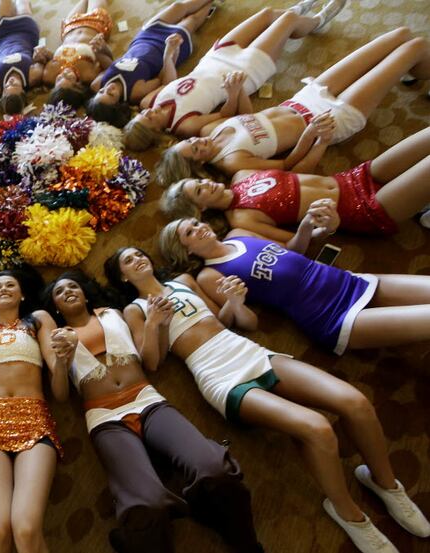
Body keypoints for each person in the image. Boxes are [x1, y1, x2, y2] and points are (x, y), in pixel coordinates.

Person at [104, 246, 430, 552]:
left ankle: (385, 484)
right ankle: (348, 513)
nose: (138, 260)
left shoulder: (185, 281)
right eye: (128, 261)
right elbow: (152, 362)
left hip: (250, 351)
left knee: (355, 402)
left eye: (138, 254)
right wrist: (155, 324)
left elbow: (234, 322)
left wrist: (234, 301)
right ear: (122, 277)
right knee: (316, 428)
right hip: (219, 375)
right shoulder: (135, 309)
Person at [44, 270, 262, 553]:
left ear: (85, 293)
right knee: (147, 504)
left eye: (73, 286)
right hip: (105, 419)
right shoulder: (57, 337)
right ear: (56, 307)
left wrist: (155, 325)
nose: (67, 292)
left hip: (148, 402)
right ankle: (132, 537)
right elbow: (60, 395)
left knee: (214, 468)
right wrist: (62, 361)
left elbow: (151, 361)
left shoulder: (114, 314)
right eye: (59, 293)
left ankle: (244, 542)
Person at [153, 27, 430, 183]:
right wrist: (312, 135)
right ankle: (417, 67)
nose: (197, 144)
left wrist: (236, 92)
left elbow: (248, 116)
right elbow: (287, 165)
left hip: (302, 99)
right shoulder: (232, 162)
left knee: (400, 36)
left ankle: (419, 70)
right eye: (194, 152)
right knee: (413, 47)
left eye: (189, 143)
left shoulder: (208, 131)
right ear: (198, 165)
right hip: (328, 119)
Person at [159, 214, 430, 354]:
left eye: (196, 222)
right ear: (186, 251)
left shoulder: (239, 234)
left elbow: (292, 251)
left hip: (349, 281)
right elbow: (241, 322)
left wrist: (307, 226)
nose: (199, 228)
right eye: (189, 233)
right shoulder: (209, 275)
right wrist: (234, 303)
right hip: (331, 315)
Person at [122, 0, 344, 150]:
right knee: (286, 21)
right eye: (149, 120)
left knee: (266, 14)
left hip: (214, 58)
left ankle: (301, 13)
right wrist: (232, 93)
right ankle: (318, 21)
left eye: (143, 115)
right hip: (243, 71)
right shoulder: (184, 125)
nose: (148, 113)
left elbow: (169, 82)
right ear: (156, 132)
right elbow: (225, 115)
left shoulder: (147, 101)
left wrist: (169, 56)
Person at [160, 126, 430, 237]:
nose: (206, 184)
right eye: (199, 191)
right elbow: (294, 244)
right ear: (201, 209)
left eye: (199, 182)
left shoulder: (240, 176)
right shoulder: (242, 220)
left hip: (354, 177)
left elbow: (299, 171)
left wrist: (319, 141)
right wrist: (327, 228)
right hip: (364, 209)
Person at [0, 268, 67, 553]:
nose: (4, 289)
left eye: (11, 285)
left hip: (33, 417)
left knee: (26, 527)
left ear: (22, 294)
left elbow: (59, 383)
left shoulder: (37, 321)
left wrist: (64, 360)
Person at [86, 0, 215, 128]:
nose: (108, 88)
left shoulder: (98, 83)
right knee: (192, 19)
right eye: (111, 94)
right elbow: (164, 80)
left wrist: (101, 48)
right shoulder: (136, 91)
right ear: (119, 104)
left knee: (178, 6)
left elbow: (111, 64)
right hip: (165, 46)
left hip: (144, 36)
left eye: (102, 91)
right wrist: (169, 53)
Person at [38, 0, 114, 108]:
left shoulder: (48, 75)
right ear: (78, 85)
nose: (64, 73)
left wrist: (41, 53)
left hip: (70, 26)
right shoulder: (88, 75)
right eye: (68, 78)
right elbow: (111, 67)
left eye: (59, 79)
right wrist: (104, 48)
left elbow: (50, 57)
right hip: (97, 23)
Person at [0, 0, 42, 115]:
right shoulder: (33, 76)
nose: (10, 81)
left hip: (1, 36)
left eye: (7, 87)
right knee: (22, 3)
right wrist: (41, 53)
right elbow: (46, 59)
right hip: (26, 31)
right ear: (23, 92)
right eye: (14, 85)